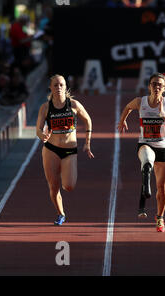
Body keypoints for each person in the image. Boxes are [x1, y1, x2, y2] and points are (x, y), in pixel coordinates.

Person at [117, 72, 165, 232]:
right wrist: (122, 121)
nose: (156, 87)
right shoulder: (140, 101)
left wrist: (163, 114)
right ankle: (146, 175)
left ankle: (160, 217)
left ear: (164, 88)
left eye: (160, 85)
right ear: (149, 86)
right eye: (154, 84)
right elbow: (128, 107)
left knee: (162, 188)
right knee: (146, 157)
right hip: (145, 144)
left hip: (163, 147)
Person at [36, 75, 94, 225]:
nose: (59, 88)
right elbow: (38, 129)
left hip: (69, 150)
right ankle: (60, 213)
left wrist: (87, 142)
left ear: (66, 87)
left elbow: (88, 120)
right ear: (50, 88)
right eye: (55, 85)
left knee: (68, 186)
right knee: (53, 186)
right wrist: (42, 136)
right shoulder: (46, 107)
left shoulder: (74, 105)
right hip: (51, 149)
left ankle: (65, 172)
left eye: (61, 85)